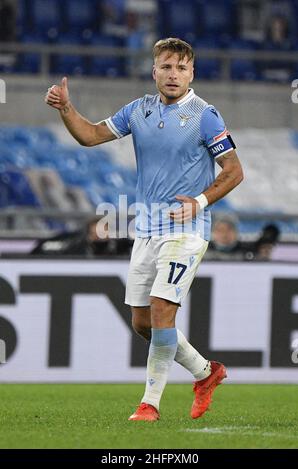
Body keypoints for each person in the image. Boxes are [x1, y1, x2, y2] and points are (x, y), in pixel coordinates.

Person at [45, 37, 243, 422]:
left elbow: (234, 171)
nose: (173, 75)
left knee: (161, 309)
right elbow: (89, 136)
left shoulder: (205, 115)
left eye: (181, 68)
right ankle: (206, 373)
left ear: (192, 73)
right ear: (154, 71)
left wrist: (199, 203)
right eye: (166, 67)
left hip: (188, 231)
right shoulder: (138, 110)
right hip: (148, 230)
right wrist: (66, 107)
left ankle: (149, 404)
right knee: (142, 322)